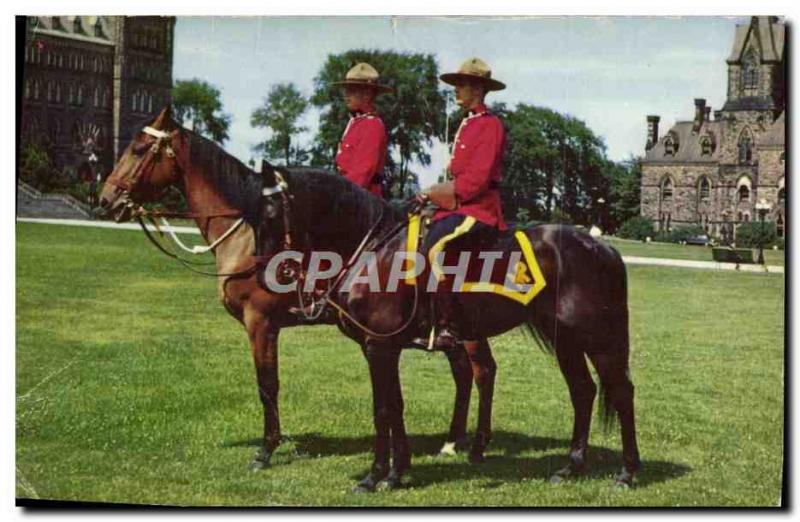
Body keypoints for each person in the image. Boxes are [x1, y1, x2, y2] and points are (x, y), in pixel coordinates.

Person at [421, 57, 507, 351]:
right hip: (460, 205)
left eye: (462, 85)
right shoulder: (469, 123)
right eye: (456, 85)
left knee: (435, 246)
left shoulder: (490, 125)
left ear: (479, 89)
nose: (456, 90)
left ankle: (447, 326)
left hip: (479, 209)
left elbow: (476, 181)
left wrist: (438, 193)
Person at [333, 62, 392, 197]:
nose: (346, 95)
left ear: (367, 94)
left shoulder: (373, 126)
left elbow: (362, 173)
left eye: (352, 90)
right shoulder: (355, 122)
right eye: (346, 90)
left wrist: (338, 196)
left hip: (362, 199)